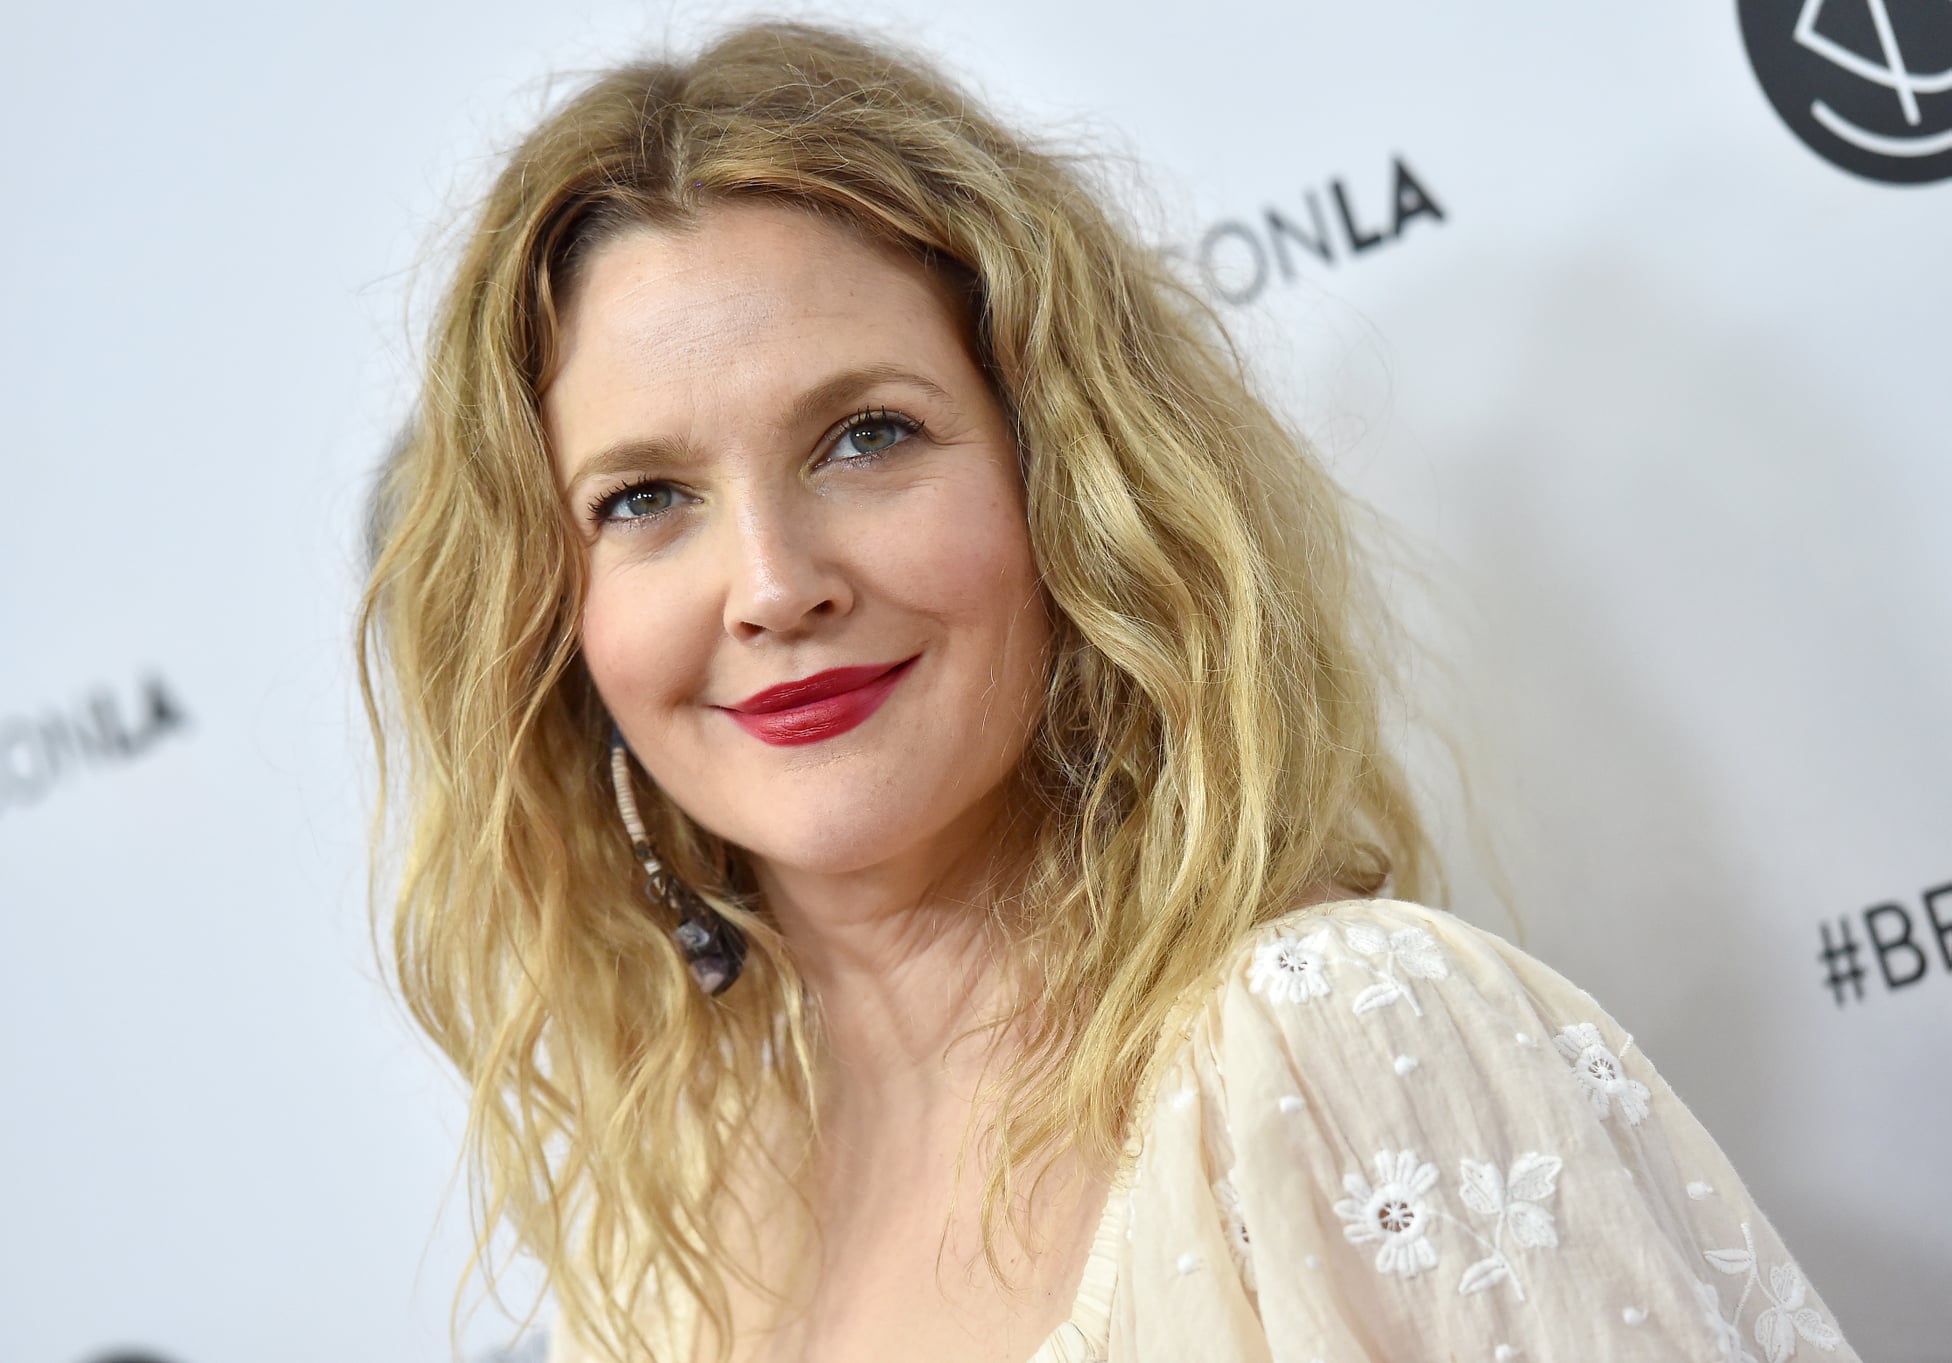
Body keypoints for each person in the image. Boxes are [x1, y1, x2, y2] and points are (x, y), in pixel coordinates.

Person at [358, 20, 1855, 1363]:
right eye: (642, 500)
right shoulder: (659, 1234)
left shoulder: (1333, 1051)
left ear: (1069, 484)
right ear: (554, 623)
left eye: (866, 438)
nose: (769, 582)